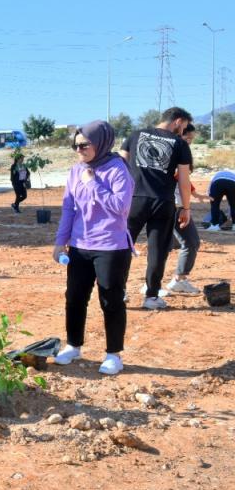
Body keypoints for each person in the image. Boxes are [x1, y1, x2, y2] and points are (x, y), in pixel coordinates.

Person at [52, 121, 135, 375]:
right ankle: (73, 346)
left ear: (101, 143)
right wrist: (59, 241)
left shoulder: (118, 169)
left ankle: (113, 354)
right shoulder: (77, 171)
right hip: (79, 245)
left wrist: (94, 184)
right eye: (75, 145)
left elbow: (121, 207)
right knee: (75, 298)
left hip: (111, 246)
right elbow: (69, 208)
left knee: (110, 299)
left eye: (84, 145)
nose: (79, 150)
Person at [119, 107, 194, 310]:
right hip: (163, 201)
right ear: (178, 121)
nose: (183, 130)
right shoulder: (179, 144)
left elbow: (119, 165)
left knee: (123, 246)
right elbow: (184, 181)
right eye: (184, 126)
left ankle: (118, 293)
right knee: (158, 251)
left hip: (133, 200)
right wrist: (186, 208)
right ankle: (151, 297)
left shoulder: (135, 135)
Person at [157, 125, 205, 296]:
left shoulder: (172, 151)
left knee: (163, 246)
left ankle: (155, 285)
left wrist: (195, 193)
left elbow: (183, 179)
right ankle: (177, 280)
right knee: (190, 243)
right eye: (188, 138)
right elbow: (179, 177)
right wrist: (187, 205)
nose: (190, 142)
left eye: (192, 139)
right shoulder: (175, 152)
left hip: (169, 204)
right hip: (175, 206)